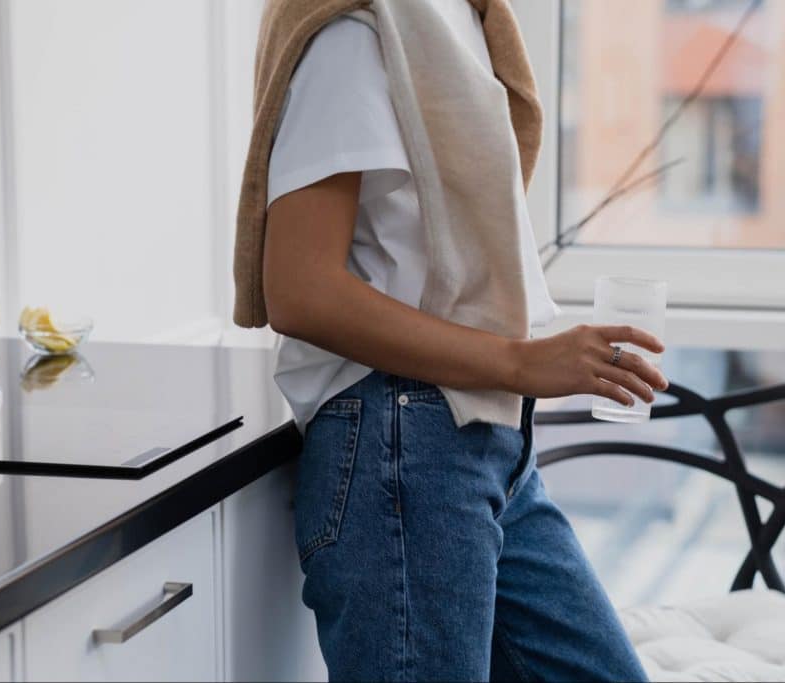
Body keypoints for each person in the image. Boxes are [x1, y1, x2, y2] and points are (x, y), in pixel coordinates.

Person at [236, 1, 666, 680]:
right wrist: (521, 361)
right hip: (404, 446)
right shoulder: (358, 32)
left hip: (486, 439)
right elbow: (300, 288)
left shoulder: (459, 21)